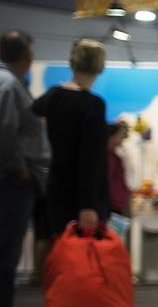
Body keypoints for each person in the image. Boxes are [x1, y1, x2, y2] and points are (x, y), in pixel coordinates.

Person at [32, 38, 110, 236]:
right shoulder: (93, 105)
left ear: (71, 63)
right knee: (80, 260)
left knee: (57, 253)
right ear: (100, 68)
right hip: (81, 196)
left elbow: (33, 113)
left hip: (54, 187)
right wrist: (88, 204)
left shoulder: (52, 96)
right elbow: (90, 158)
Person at [0, 29, 47, 307]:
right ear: (25, 55)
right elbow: (5, 130)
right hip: (11, 182)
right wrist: (18, 166)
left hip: (14, 180)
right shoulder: (9, 85)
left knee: (7, 257)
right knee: (5, 257)